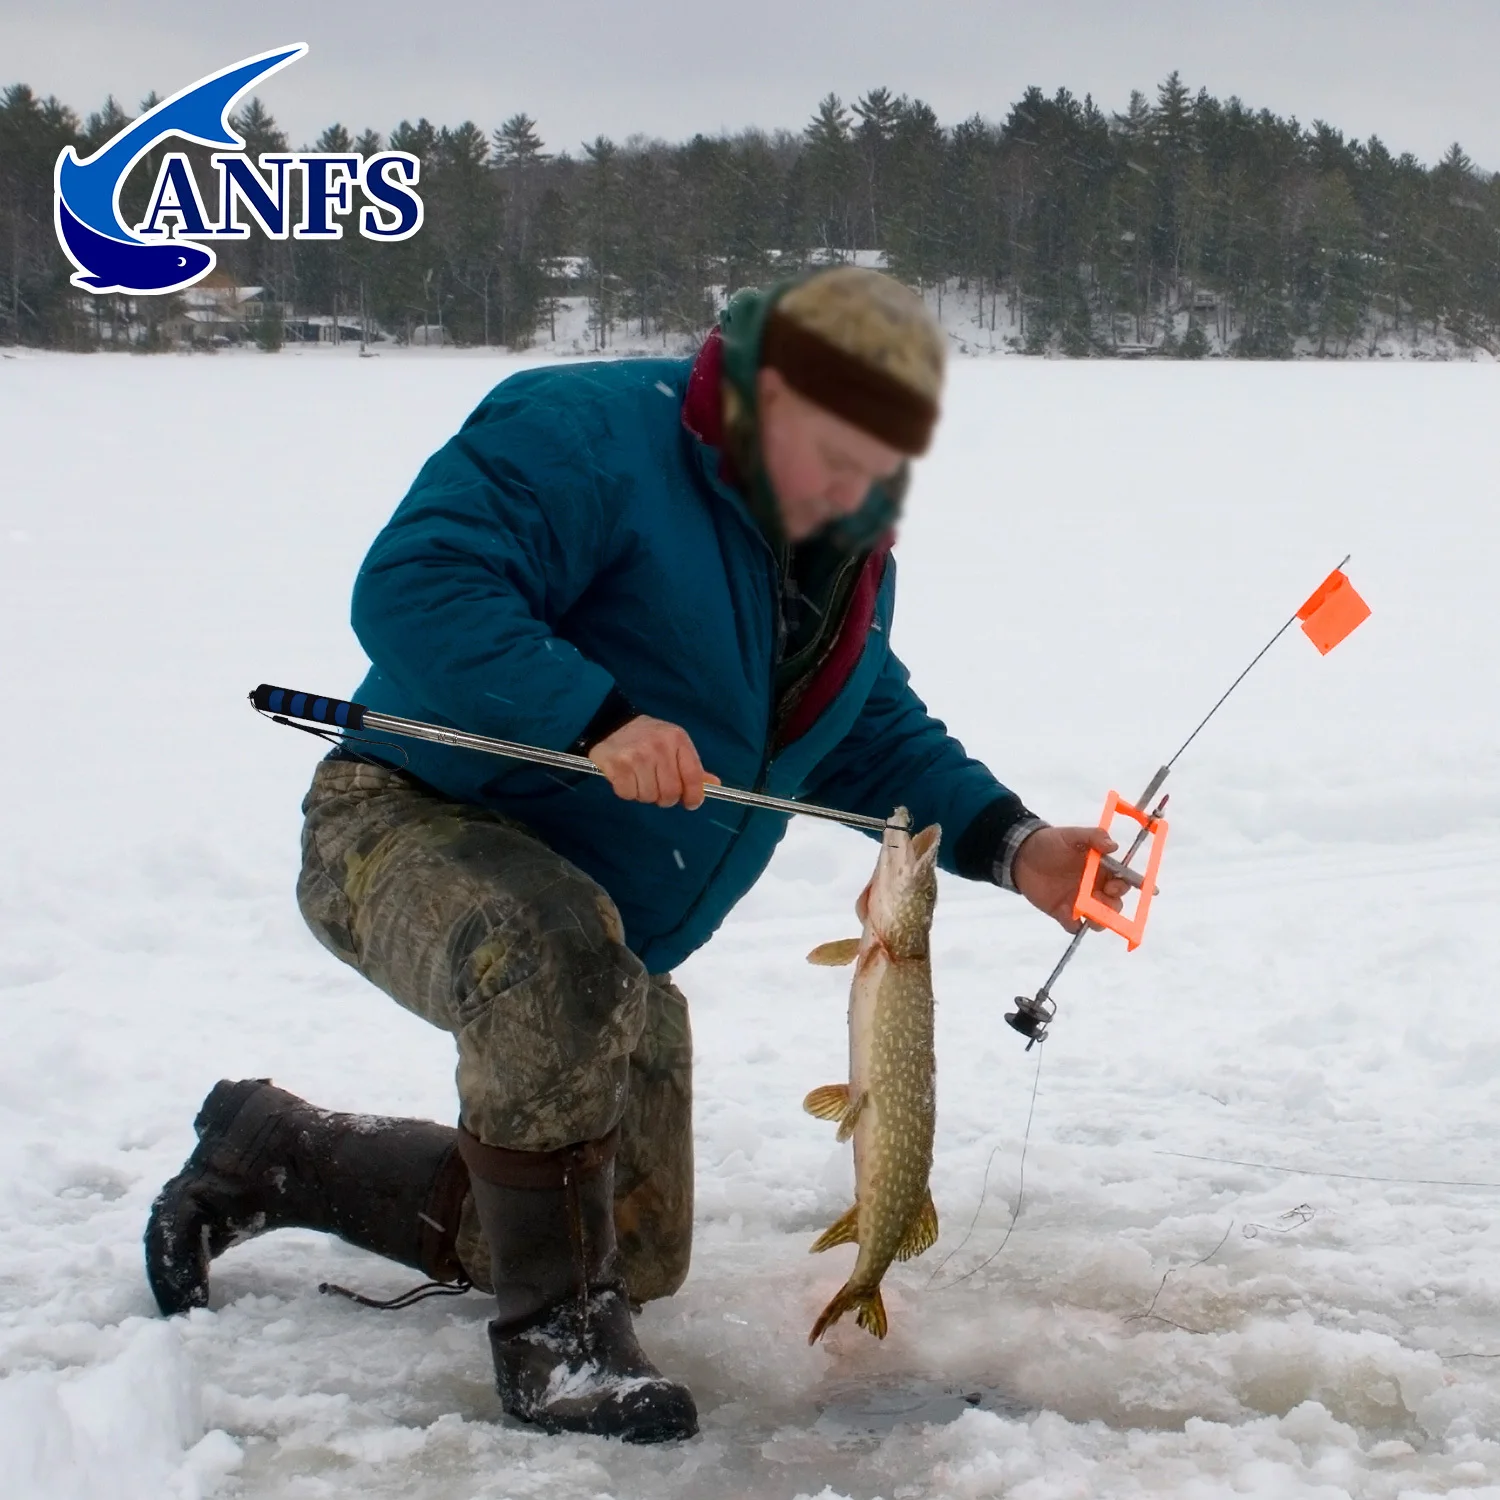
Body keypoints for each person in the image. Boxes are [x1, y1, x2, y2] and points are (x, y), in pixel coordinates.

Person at [144, 267, 1127, 1444]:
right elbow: (419, 584)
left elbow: (864, 725)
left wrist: (1013, 845)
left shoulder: (846, 558)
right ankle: (554, 1348)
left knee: (637, 1242)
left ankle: (279, 1154)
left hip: (605, 933)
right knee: (556, 972)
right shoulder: (584, 432)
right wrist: (598, 719)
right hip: (403, 823)